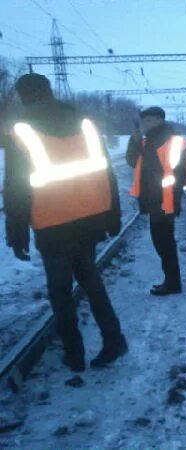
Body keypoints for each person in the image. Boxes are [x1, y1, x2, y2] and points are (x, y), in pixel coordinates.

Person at [3, 73, 127, 372]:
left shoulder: (22, 132)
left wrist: (16, 234)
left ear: (23, 96)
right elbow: (106, 171)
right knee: (91, 280)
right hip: (90, 218)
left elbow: (16, 188)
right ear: (49, 91)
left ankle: (74, 355)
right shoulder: (84, 124)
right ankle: (114, 340)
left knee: (60, 291)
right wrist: (113, 215)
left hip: (53, 224)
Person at [126, 107, 186, 296]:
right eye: (144, 121)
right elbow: (133, 161)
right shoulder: (149, 141)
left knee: (164, 243)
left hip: (164, 201)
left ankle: (173, 284)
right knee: (162, 243)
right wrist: (134, 141)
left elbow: (179, 173)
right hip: (156, 200)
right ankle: (171, 281)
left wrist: (173, 201)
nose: (146, 124)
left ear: (160, 120)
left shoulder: (168, 141)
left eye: (150, 121)